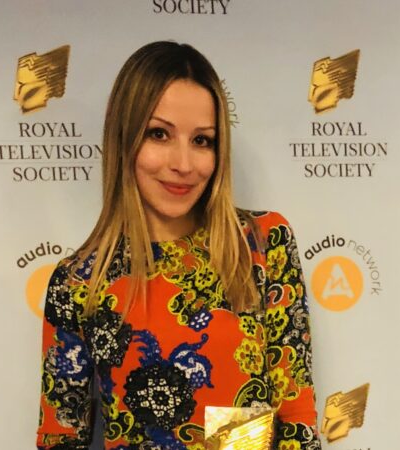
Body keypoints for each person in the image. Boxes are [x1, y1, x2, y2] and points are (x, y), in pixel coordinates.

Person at [36, 41, 321, 450]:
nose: (183, 164)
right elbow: (60, 437)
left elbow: (295, 418)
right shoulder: (79, 282)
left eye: (202, 140)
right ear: (124, 139)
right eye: (159, 134)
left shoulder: (261, 243)